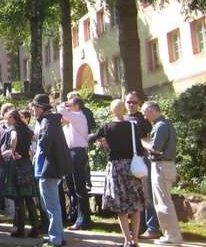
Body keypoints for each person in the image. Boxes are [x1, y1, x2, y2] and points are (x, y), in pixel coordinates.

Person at [89, 99, 146, 247]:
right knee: (135, 204)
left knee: (120, 206)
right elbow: (139, 148)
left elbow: (93, 138)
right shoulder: (133, 126)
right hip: (131, 166)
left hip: (115, 167)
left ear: (111, 111)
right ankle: (136, 240)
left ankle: (127, 240)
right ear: (124, 110)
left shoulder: (107, 126)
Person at [33, 93, 73, 247]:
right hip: (51, 167)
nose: (32, 109)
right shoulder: (50, 120)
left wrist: (40, 143)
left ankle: (55, 238)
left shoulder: (47, 121)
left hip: (49, 168)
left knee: (51, 205)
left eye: (34, 107)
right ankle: (59, 236)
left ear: (40, 108)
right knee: (51, 203)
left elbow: (45, 142)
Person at [141, 101, 183, 246]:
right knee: (165, 202)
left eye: (145, 114)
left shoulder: (159, 126)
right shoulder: (167, 123)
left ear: (152, 111)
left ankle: (172, 236)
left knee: (163, 203)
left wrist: (143, 143)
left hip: (161, 166)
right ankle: (171, 234)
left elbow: (156, 148)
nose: (145, 117)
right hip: (167, 166)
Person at [125, 91, 161, 240]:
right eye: (129, 102)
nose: (131, 105)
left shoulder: (143, 119)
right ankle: (138, 226)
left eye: (134, 102)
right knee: (133, 195)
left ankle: (152, 227)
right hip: (126, 161)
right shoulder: (123, 119)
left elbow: (148, 139)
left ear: (139, 104)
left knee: (146, 194)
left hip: (141, 160)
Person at [4, 110, 39, 239]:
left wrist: (13, 152)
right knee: (29, 197)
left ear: (13, 118)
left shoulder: (14, 128)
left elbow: (13, 138)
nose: (7, 121)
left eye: (8, 119)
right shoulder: (25, 127)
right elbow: (36, 138)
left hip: (17, 163)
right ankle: (35, 229)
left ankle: (20, 229)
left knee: (19, 198)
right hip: (27, 162)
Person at [58, 96, 91, 230]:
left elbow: (61, 110)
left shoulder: (79, 116)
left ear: (77, 106)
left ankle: (83, 219)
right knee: (71, 187)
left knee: (79, 188)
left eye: (70, 105)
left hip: (77, 153)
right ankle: (76, 215)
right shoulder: (70, 125)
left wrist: (65, 104)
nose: (68, 108)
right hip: (69, 153)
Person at [0, 103, 16, 227]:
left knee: (16, 191)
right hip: (1, 163)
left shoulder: (18, 127)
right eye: (9, 110)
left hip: (15, 163)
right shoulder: (0, 129)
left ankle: (17, 219)